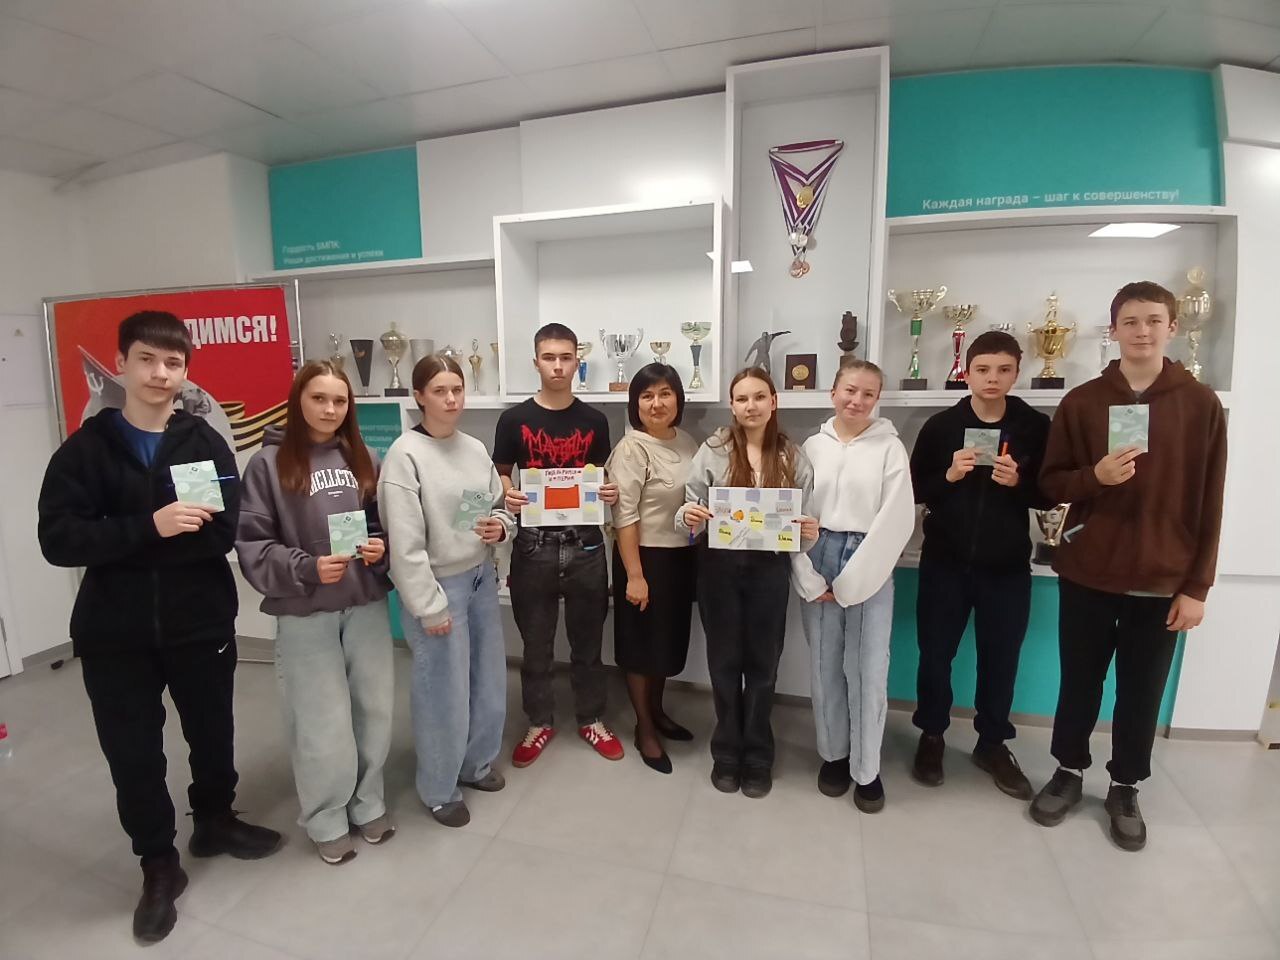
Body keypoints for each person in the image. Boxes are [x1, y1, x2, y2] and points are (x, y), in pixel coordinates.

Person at [37, 311, 281, 944]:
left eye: (173, 363)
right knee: (134, 753)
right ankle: (158, 863)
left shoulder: (204, 443)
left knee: (213, 732)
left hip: (199, 621)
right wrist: (151, 526)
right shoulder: (86, 451)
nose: (160, 373)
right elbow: (59, 539)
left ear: (185, 372)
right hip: (114, 634)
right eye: (147, 359)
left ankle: (215, 820)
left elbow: (222, 530)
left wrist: (131, 538)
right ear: (121, 364)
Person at [1030, 281, 1226, 852]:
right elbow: (1051, 484)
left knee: (1142, 690)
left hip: (1162, 578)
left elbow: (1211, 498)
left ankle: (1125, 785)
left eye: (1154, 320)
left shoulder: (1199, 404)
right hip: (1089, 570)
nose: (1143, 331)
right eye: (1131, 321)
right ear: (1113, 329)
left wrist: (1197, 586)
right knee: (1079, 681)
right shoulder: (1083, 402)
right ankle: (1068, 770)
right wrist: (1095, 477)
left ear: (1172, 328)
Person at [236, 360, 394, 865]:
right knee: (321, 719)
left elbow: (380, 525)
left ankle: (367, 803)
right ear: (298, 400)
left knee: (374, 710)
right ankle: (326, 816)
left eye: (339, 400)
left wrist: (380, 550)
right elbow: (252, 542)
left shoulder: (365, 457)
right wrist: (306, 567)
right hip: (306, 611)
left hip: (365, 605)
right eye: (318, 398)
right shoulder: (267, 464)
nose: (329, 409)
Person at [908, 330, 1052, 799]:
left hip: (1006, 567)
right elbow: (915, 488)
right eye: (983, 369)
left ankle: (992, 743)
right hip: (945, 563)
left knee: (1001, 659)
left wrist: (1020, 484)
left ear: (1017, 372)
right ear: (966, 373)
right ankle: (932, 735)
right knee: (935, 655)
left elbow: (1051, 493)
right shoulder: (941, 426)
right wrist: (949, 475)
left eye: (1004, 370)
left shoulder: (1034, 426)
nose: (993, 379)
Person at [379, 355, 513, 827]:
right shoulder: (405, 456)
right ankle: (439, 788)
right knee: (443, 692)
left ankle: (476, 764)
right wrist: (429, 606)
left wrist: (500, 527)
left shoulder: (473, 449)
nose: (451, 399)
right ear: (419, 396)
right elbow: (404, 545)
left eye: (457, 389)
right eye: (439, 390)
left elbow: (493, 509)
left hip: (479, 578)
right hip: (438, 586)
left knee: (487, 681)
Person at [678, 367, 817, 798]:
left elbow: (803, 527)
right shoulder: (713, 451)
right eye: (742, 399)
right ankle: (726, 750)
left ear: (774, 402)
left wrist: (809, 532)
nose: (751, 406)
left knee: (762, 664)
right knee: (723, 663)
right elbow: (688, 513)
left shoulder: (793, 457)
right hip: (718, 568)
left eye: (759, 397)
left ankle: (757, 752)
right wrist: (690, 516)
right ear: (732, 406)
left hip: (769, 569)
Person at [493, 324, 622, 767]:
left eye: (566, 357)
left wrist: (608, 491)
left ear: (576, 362)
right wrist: (508, 492)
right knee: (536, 645)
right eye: (549, 357)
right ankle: (539, 721)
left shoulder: (595, 421)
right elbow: (501, 471)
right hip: (533, 545)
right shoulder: (514, 420)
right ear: (536, 362)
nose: (558, 366)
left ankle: (591, 718)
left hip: (585, 544)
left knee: (589, 642)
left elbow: (600, 476)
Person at [792, 358, 915, 812]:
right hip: (817, 550)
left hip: (869, 557)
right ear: (833, 393)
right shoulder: (811, 447)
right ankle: (834, 756)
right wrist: (809, 577)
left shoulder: (890, 449)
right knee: (825, 665)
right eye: (849, 390)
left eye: (868, 393)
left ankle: (867, 768)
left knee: (867, 669)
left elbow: (896, 519)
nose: (857, 400)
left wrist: (853, 581)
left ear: (877, 399)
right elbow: (793, 513)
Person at [605, 363, 700, 774]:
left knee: (664, 644)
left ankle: (658, 712)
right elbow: (624, 516)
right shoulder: (631, 449)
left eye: (664, 393)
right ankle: (644, 728)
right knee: (641, 647)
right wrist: (635, 575)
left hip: (680, 557)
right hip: (643, 558)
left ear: (678, 398)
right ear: (635, 404)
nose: (656, 403)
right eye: (646, 396)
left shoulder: (688, 441)